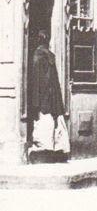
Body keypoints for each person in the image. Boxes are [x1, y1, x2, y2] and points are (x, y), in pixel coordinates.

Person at [29, 30, 69, 158]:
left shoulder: (37, 56)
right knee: (54, 121)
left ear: (38, 40)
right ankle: (54, 148)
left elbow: (35, 80)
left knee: (42, 122)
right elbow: (54, 81)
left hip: (42, 96)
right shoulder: (50, 56)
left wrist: (34, 102)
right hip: (52, 96)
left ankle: (42, 150)